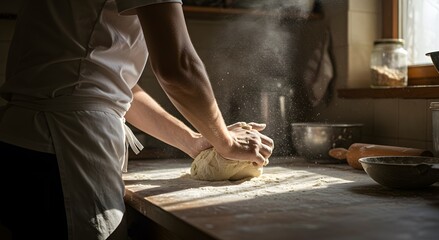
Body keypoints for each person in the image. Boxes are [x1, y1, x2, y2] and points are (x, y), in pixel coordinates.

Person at [0, 0, 274, 239]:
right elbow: (178, 67)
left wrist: (195, 141)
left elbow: (114, 86)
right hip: (65, 146)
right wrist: (225, 142)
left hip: (27, 141)